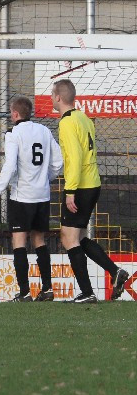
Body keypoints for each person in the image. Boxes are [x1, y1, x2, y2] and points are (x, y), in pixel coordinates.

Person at [51, 79, 131, 303]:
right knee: (79, 237)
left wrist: (70, 191)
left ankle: (87, 293)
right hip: (92, 183)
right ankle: (115, 272)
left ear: (58, 97)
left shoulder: (67, 122)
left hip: (80, 186)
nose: (51, 99)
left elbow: (75, 158)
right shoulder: (84, 118)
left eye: (52, 95)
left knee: (69, 239)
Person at [0, 96, 63, 302]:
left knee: (19, 242)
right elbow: (58, 162)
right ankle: (47, 289)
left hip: (22, 197)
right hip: (42, 195)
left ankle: (24, 292)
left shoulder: (13, 134)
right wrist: (45, 179)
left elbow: (10, 164)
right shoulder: (44, 130)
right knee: (39, 240)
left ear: (14, 114)